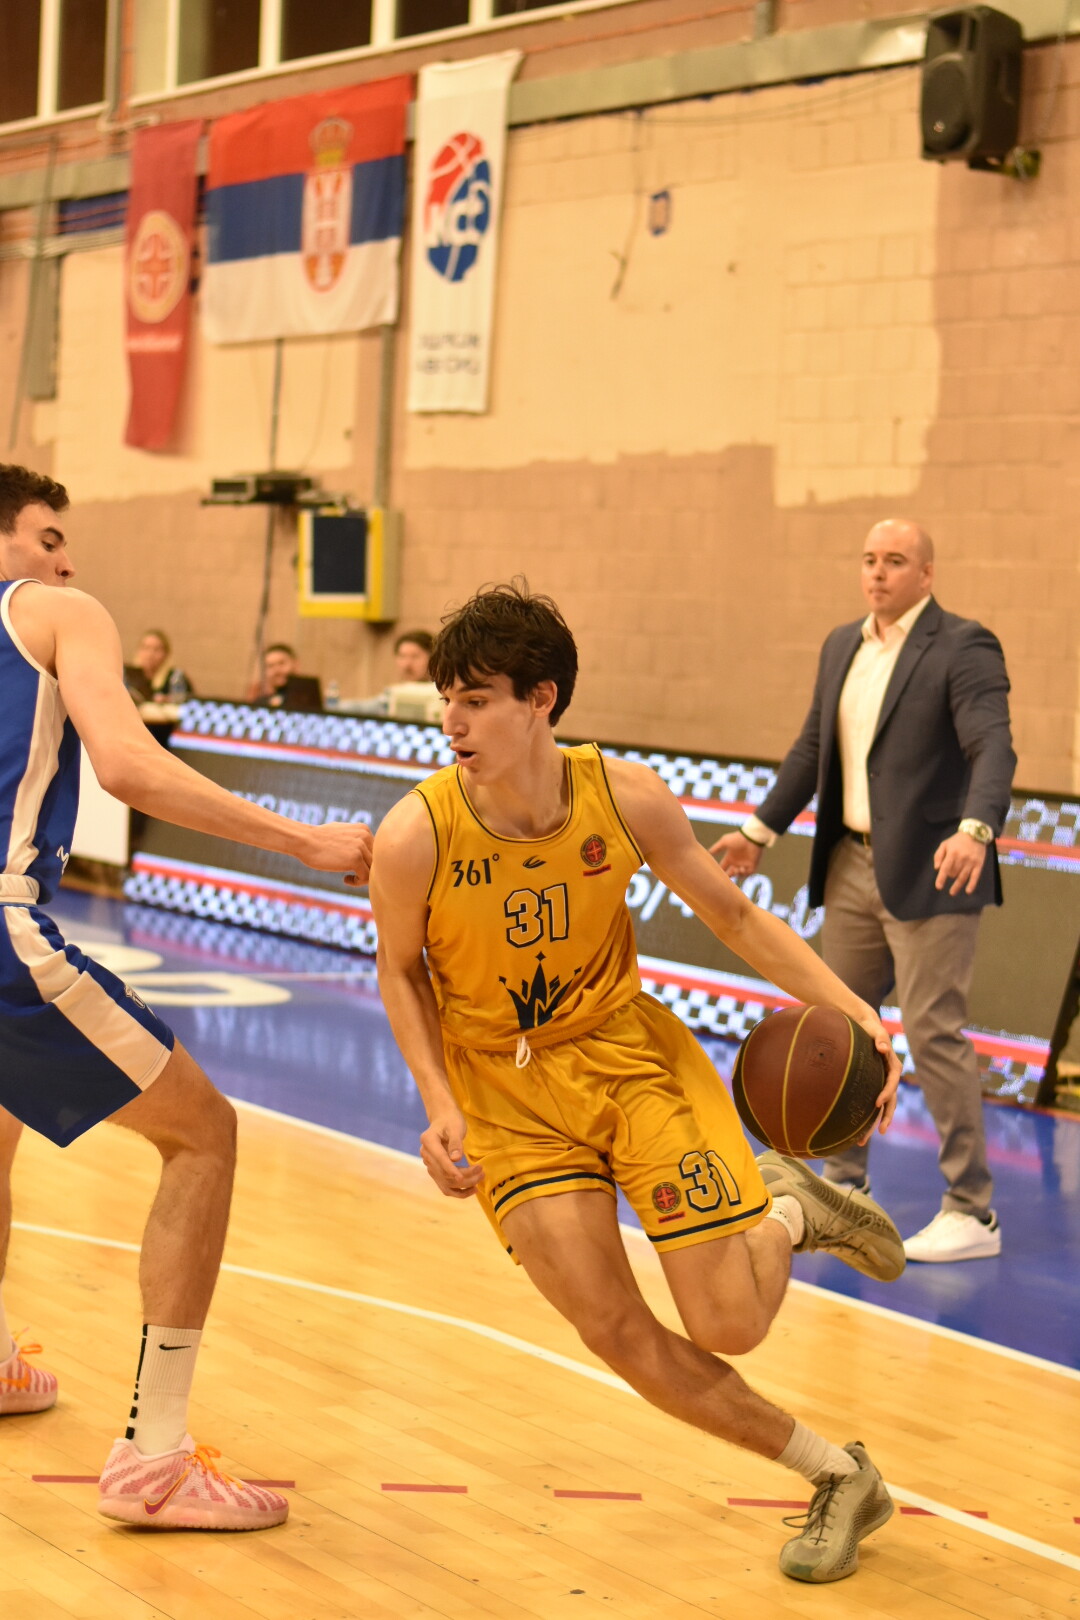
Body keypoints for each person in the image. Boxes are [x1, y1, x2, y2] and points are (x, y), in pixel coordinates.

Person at [371, 581, 907, 1585]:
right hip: (503, 1097)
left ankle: (789, 1212)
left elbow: (735, 917)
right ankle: (839, 1475)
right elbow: (399, 972)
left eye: (477, 699)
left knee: (729, 1322)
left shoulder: (625, 797)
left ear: (542, 700)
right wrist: (438, 1104)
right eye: (448, 698)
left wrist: (860, 1014)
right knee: (615, 1330)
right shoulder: (417, 834)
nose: (452, 721)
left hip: (625, 1059)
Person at [0, 463, 372, 1530]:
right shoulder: (59, 613)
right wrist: (301, 840)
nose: (67, 560)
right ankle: (156, 1458)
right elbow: (127, 766)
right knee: (204, 1132)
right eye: (46, 537)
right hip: (3, 926)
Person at [712, 519, 1015, 1264]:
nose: (878, 572)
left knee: (934, 1033)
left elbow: (992, 745)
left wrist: (976, 829)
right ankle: (844, 1185)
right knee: (844, 1026)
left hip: (935, 868)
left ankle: (972, 1209)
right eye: (870, 560)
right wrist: (757, 831)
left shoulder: (964, 645)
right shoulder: (841, 644)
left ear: (927, 574)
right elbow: (813, 747)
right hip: (849, 863)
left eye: (896, 561)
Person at [124, 628, 192, 705]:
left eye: (156, 649)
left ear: (166, 653)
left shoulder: (175, 677)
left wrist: (168, 699)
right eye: (146, 648)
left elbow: (188, 700)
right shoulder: (129, 676)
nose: (150, 654)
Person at [253, 642, 323, 712]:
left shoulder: (309, 698)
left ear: (295, 664)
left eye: (281, 663)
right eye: (270, 666)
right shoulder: (260, 705)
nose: (277, 670)